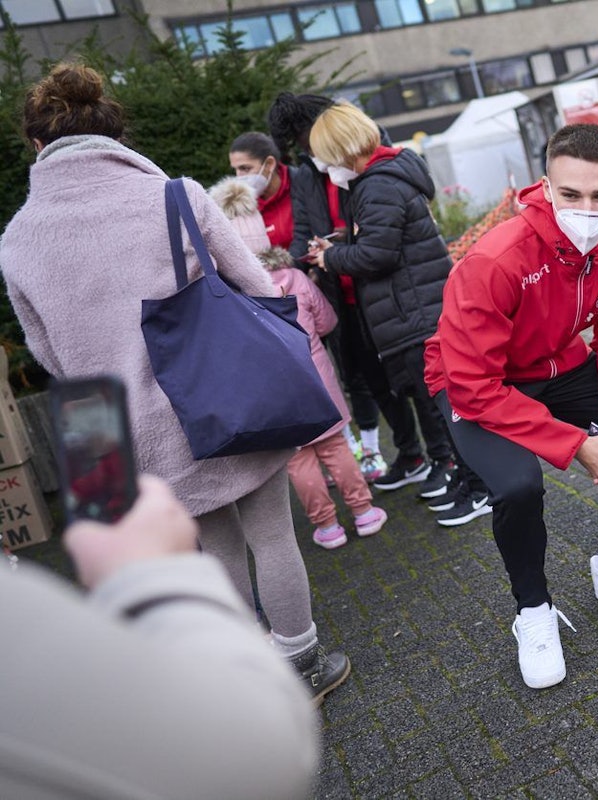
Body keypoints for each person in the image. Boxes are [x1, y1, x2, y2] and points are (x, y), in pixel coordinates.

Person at [0, 63, 351, 703]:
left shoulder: (19, 240)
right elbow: (256, 286)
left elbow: (49, 354)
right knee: (272, 534)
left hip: (135, 428)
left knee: (211, 544)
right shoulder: (175, 196)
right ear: (113, 135)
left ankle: (251, 678)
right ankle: (301, 665)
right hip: (232, 397)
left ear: (37, 146)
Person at [423, 123, 598, 690]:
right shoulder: (494, 260)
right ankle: (533, 612)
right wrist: (578, 446)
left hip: (561, 364)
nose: (587, 209)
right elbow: (475, 387)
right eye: (571, 194)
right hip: (473, 381)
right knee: (519, 486)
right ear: (545, 187)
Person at [0, 475, 319, 800]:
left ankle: (252, 655)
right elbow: (263, 760)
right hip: (247, 444)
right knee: (272, 536)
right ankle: (302, 662)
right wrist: (155, 573)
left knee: (221, 548)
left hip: (175, 457)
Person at [209, 176, 388, 548]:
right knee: (336, 448)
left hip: (274, 392)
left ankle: (327, 527)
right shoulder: (293, 277)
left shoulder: (232, 294)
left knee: (298, 460)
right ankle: (363, 513)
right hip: (318, 380)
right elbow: (326, 322)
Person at [307, 101, 456, 500]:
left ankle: (465, 479)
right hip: (416, 307)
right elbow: (383, 239)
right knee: (433, 400)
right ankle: (459, 476)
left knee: (437, 403)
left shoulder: (376, 184)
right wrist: (343, 244)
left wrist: (328, 257)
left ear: (345, 150)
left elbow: (378, 255)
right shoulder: (383, 177)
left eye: (326, 158)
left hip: (414, 311)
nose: (324, 168)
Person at [268, 92, 394, 481]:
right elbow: (305, 228)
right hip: (340, 292)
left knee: (398, 377)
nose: (307, 150)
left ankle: (437, 458)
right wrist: (300, 258)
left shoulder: (369, 154)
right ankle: (399, 452)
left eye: (306, 141)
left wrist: (347, 245)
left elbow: (383, 230)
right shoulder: (308, 172)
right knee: (359, 376)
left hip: (378, 286)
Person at [229, 131, 295, 248]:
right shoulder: (238, 205)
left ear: (269, 164)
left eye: (245, 168)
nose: (239, 176)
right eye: (236, 170)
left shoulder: (301, 186)